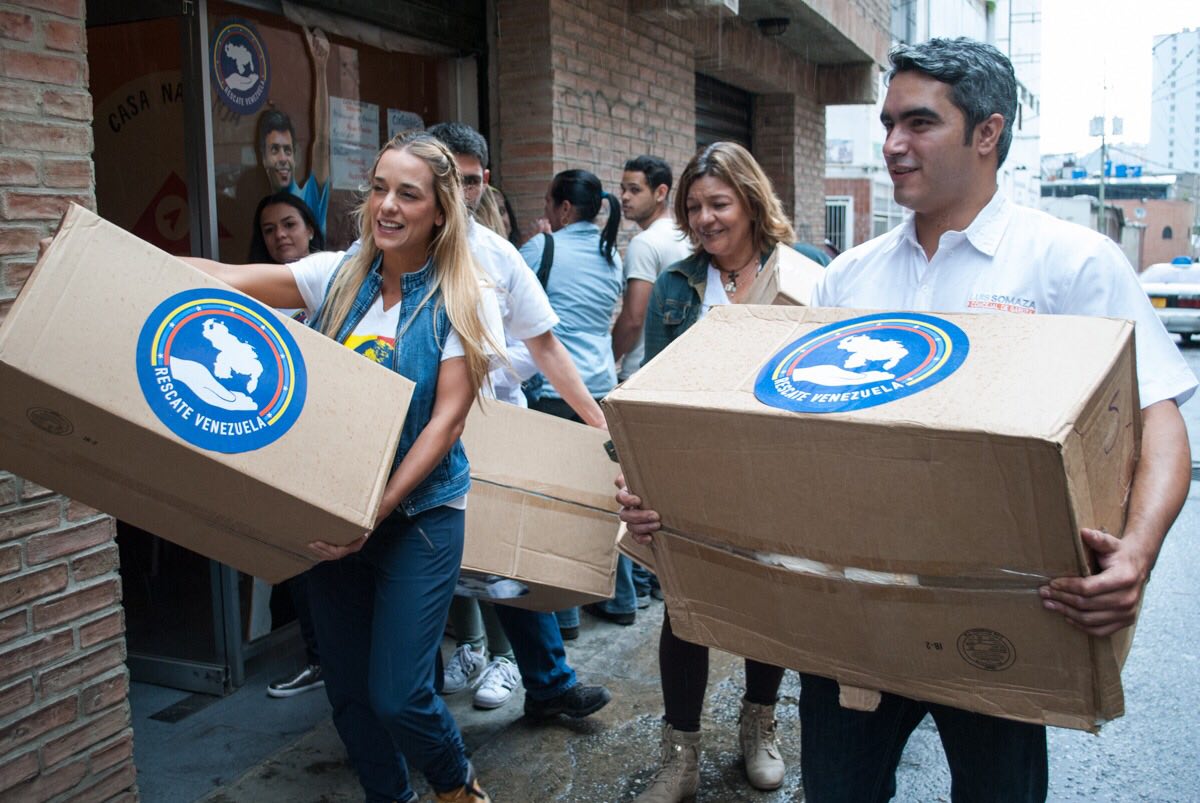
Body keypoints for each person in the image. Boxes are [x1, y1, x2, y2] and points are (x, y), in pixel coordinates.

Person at [621, 39, 1196, 803]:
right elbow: (779, 433)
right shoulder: (851, 276)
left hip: (1004, 609)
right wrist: (675, 497)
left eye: (919, 123)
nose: (893, 144)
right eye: (889, 122)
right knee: (839, 791)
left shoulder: (1071, 263)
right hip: (851, 612)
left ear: (987, 132)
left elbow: (1158, 414)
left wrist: (1139, 551)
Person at [185, 131, 504, 803]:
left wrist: (376, 507)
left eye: (407, 194)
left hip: (418, 515)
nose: (386, 206)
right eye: (379, 188)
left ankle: (456, 786)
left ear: (440, 211)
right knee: (351, 695)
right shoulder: (338, 274)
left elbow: (446, 423)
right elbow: (224, 278)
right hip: (332, 515)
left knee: (399, 694)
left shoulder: (464, 296)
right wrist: (108, 261)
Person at [620, 142, 794, 802]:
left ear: (751, 202)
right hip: (692, 470)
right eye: (694, 206)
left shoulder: (801, 274)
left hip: (775, 470)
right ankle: (680, 755)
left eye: (719, 203)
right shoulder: (677, 284)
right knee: (684, 611)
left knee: (765, 603)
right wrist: (636, 467)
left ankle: (759, 726)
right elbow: (652, 385)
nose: (706, 218)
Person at [426, 121, 612, 719]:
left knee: (512, 562)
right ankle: (416, 702)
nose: (463, 192)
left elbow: (548, 347)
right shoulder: (388, 246)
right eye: (451, 177)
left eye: (474, 180)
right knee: (418, 568)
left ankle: (550, 686)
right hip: (414, 437)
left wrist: (599, 426)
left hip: (495, 432)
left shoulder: (498, 254)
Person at [518, 169, 624, 637]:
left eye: (547, 202)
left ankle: (564, 615)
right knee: (604, 497)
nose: (544, 211)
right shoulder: (611, 254)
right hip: (601, 384)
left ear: (562, 208)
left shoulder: (544, 248)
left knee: (557, 504)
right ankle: (621, 599)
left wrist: (538, 243)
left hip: (557, 391)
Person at [242, 190, 327, 698]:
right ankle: (319, 660)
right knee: (300, 561)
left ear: (311, 228)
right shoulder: (259, 294)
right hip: (283, 449)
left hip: (334, 449)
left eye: (289, 224)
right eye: (270, 229)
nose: (281, 236)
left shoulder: (337, 282)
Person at [609, 155, 691, 613]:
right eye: (622, 188)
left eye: (634, 189)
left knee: (641, 492)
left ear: (661, 192)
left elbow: (635, 316)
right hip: (680, 382)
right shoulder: (687, 237)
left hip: (644, 375)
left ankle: (649, 579)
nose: (624, 196)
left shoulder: (645, 244)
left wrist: (614, 358)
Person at [256, 28, 330, 236]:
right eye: (275, 150)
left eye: (288, 151)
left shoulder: (308, 198)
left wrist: (321, 68)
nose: (282, 159)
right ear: (262, 157)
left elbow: (322, 141)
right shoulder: (264, 210)